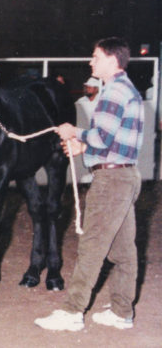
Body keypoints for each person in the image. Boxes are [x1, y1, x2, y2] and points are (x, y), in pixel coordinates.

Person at [35, 37, 144, 332]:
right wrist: (86, 149)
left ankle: (72, 311)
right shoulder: (127, 89)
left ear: (111, 59)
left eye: (95, 56)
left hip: (111, 181)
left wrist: (75, 132)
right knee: (123, 252)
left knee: (92, 246)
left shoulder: (113, 92)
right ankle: (122, 312)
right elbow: (113, 141)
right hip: (125, 175)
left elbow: (99, 137)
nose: (90, 61)